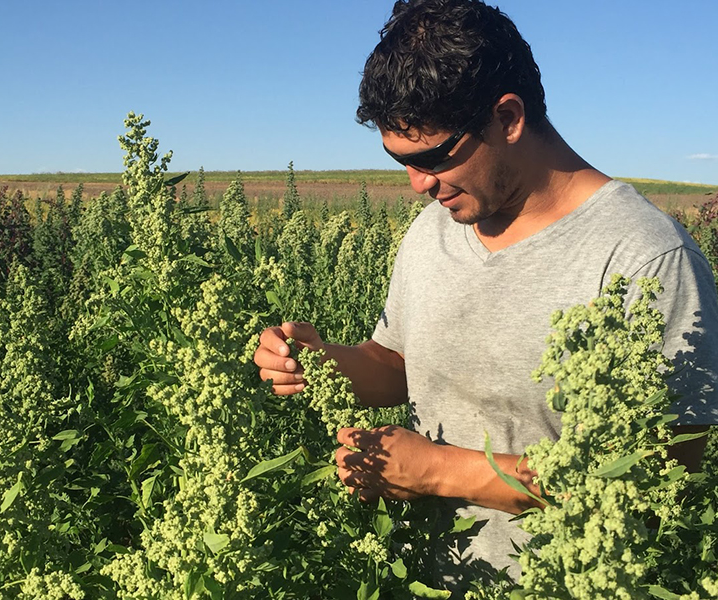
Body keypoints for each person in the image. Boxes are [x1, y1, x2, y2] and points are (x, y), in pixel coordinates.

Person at [254, 0, 718, 592]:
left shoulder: (645, 260)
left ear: (508, 117)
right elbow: (398, 366)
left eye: (432, 158)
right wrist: (320, 363)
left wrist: (444, 473)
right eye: (400, 161)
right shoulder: (437, 227)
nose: (418, 185)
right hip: (430, 577)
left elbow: (658, 488)